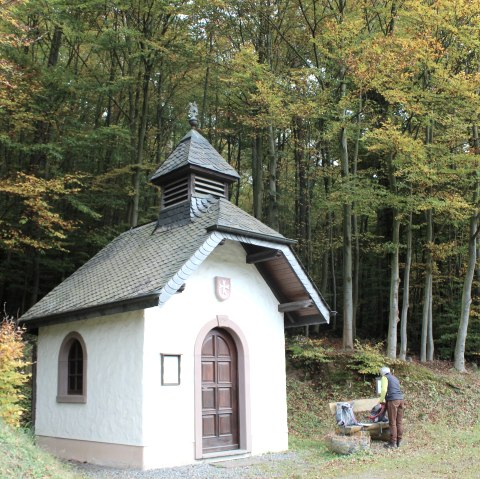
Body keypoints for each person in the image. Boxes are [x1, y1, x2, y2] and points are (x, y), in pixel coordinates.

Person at [379, 366, 405, 448]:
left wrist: (381, 400)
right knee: (399, 421)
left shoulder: (384, 377)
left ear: (382, 373)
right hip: (401, 400)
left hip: (393, 401)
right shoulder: (395, 378)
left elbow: (383, 390)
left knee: (392, 421)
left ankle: (393, 442)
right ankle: (399, 441)